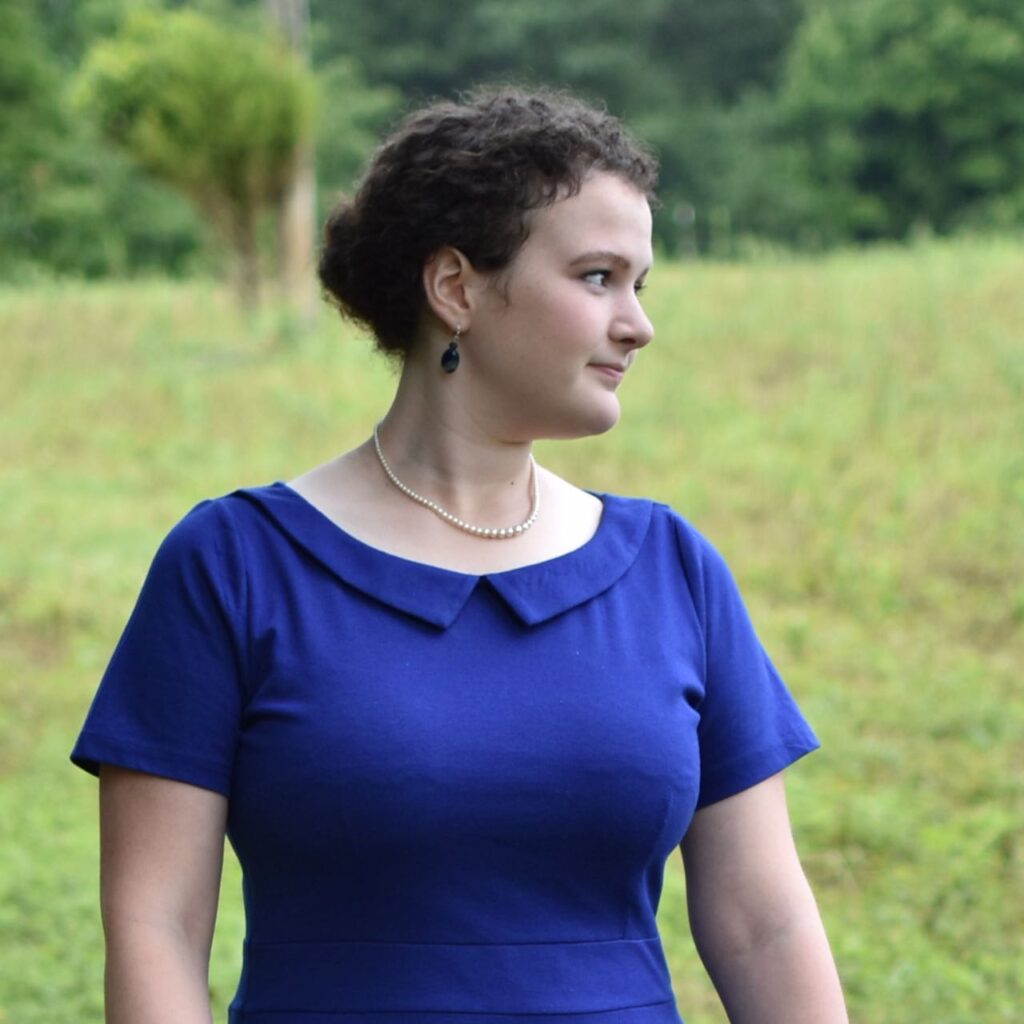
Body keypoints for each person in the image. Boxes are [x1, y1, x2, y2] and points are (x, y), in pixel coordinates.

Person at [71, 87, 848, 1024]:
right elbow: (157, 923)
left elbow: (765, 922)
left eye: (641, 284)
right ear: (456, 289)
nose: (637, 323)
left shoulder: (672, 569)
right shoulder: (234, 564)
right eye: (598, 277)